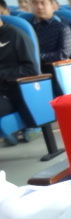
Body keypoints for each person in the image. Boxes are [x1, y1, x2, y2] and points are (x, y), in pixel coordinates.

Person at [0, 6, 39, 144]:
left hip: (12, 91)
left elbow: (31, 69)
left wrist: (2, 75)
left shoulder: (16, 35)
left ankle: (14, 128)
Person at [30, 0, 71, 71]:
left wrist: (39, 57)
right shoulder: (28, 27)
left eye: (43, 3)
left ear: (53, 6)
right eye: (35, 3)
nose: (39, 7)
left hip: (53, 68)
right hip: (30, 68)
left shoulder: (63, 28)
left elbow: (64, 54)